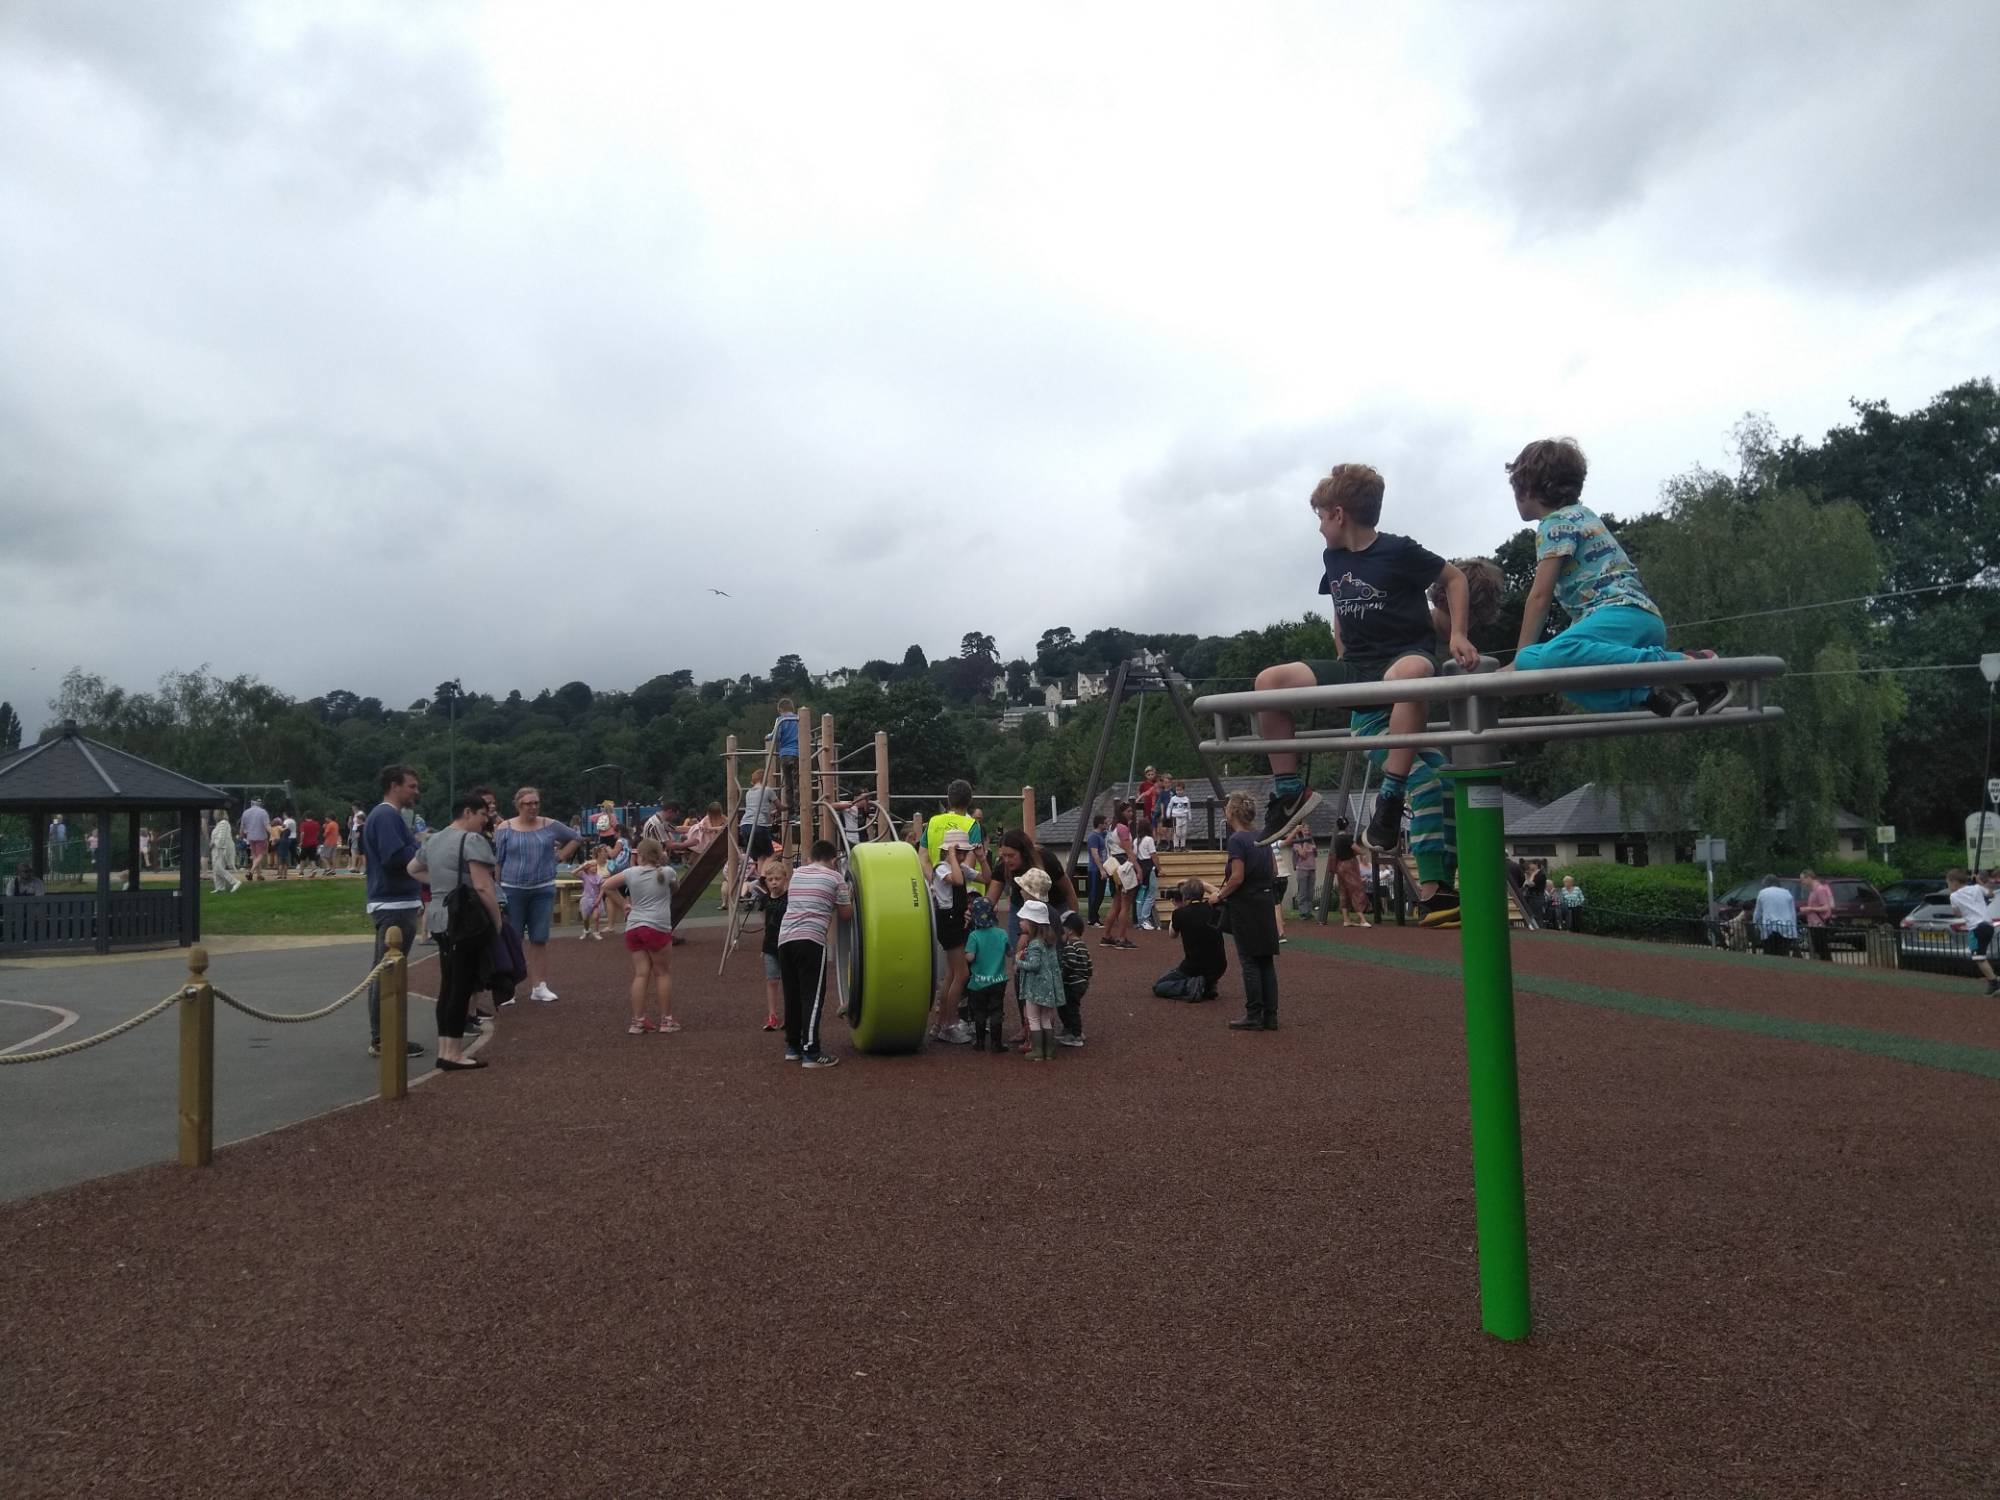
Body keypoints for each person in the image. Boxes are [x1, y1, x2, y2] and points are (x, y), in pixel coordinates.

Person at [1250, 464, 1477, 929]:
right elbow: (1339, 611)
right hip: (1359, 667)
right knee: (1267, 682)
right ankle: (1290, 792)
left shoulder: (1398, 550)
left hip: (1404, 659)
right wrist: (1343, 661)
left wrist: (1458, 634)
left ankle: (1392, 801)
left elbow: (1454, 578)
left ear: (1339, 514)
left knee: (1411, 682)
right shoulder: (1333, 560)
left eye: (1320, 517)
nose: (1317, 527)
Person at [1503, 438, 1730, 717]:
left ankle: (1687, 663)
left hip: (1620, 616)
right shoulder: (1584, 515)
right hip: (1637, 624)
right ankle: (1654, 696)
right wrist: (1521, 661)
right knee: (1532, 661)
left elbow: (1539, 596)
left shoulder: (1554, 525)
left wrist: (1514, 662)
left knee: (1554, 655)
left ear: (1527, 488)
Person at [408, 790, 500, 1071]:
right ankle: (453, 1052)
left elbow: (413, 869)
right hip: (464, 919)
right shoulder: (472, 840)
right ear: (469, 813)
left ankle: (446, 1048)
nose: (485, 821)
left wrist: (441, 882)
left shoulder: (433, 839)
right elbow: (483, 886)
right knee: (461, 986)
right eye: (483, 815)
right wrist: (497, 921)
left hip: (438, 916)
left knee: (449, 984)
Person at [494, 787, 583, 1004]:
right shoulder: (505, 828)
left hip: (542, 888)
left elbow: (575, 837)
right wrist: (497, 890)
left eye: (536, 803)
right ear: (518, 805)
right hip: (512, 888)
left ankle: (539, 985)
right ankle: (509, 989)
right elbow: (498, 860)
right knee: (512, 939)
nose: (533, 807)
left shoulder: (549, 825)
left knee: (539, 937)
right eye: (528, 803)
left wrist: (560, 856)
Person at [362, 765, 428, 1060]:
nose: (416, 791)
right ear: (394, 785)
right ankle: (383, 1038)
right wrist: (421, 850)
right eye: (411, 786)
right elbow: (393, 857)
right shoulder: (387, 815)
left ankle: (385, 1036)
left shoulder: (387, 815)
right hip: (394, 903)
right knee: (387, 972)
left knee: (386, 970)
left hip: (395, 901)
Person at [776, 839, 851, 1068]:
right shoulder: (836, 878)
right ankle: (812, 1051)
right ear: (833, 860)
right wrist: (851, 895)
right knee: (812, 996)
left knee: (793, 993)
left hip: (785, 939)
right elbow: (846, 914)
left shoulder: (797, 873)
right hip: (810, 940)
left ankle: (793, 1046)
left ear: (811, 857)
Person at [602, 837, 680, 1034]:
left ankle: (638, 1021)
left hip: (634, 926)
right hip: (657, 926)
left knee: (640, 973)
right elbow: (675, 889)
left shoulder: (630, 873)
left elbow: (606, 886)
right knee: (662, 972)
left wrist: (623, 904)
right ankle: (667, 1020)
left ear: (641, 856)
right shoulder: (668, 872)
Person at [1218, 791, 1282, 1031]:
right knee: (1265, 960)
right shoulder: (1261, 836)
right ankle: (1270, 1015)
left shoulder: (1237, 840)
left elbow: (1237, 877)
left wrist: (1219, 895)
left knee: (1249, 961)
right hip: (1265, 901)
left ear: (1232, 812)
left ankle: (1253, 1014)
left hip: (1246, 903)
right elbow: (1274, 870)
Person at [929, 837, 973, 1041]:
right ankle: (949, 1023)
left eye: (965, 851)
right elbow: (956, 880)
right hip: (948, 921)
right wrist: (953, 856)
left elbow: (985, 877)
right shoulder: (942, 868)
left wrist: (981, 857)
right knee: (961, 974)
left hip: (956, 920)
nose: (964, 855)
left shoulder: (959, 867)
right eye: (960, 851)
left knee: (951, 974)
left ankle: (941, 1023)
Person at [1157, 878, 1228, 1000]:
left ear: (1184, 895)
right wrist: (1199, 883)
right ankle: (1208, 984)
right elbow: (1219, 893)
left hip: (1193, 968)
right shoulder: (1212, 907)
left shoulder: (1180, 913)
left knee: (1160, 986)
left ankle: (1193, 987)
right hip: (1219, 967)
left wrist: (1177, 908)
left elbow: (1172, 935)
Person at [1014, 899, 1065, 1061]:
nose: (1020, 922)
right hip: (1048, 987)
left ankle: (1037, 1050)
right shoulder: (1049, 942)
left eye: (1023, 920)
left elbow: (1034, 965)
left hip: (1035, 987)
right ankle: (1049, 1050)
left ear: (1032, 924)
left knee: (1034, 1018)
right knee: (1045, 1018)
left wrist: (1019, 961)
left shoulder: (1035, 944)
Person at [963, 897, 1010, 1053]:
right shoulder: (1002, 933)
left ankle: (980, 1042)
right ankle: (997, 1043)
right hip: (998, 980)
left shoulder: (974, 936)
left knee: (980, 1012)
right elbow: (1009, 952)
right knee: (997, 1010)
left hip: (978, 982)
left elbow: (969, 957)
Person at [1944, 870, 1998, 995]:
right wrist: (1979, 881)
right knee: (1981, 955)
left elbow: (1956, 913)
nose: (1948, 886)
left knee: (1979, 958)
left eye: (1948, 883)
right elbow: (1991, 894)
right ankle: (1994, 979)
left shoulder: (1954, 896)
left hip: (1976, 928)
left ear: (1954, 882)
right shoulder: (1977, 888)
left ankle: (1994, 983)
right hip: (1988, 925)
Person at [758, 857, 789, 1032]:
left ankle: (789, 1013)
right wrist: (763, 946)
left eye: (777, 879)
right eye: (770, 880)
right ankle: (772, 1014)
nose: (774, 883)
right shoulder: (764, 900)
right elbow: (765, 923)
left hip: (786, 944)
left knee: (788, 980)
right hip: (770, 946)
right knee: (771, 980)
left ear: (784, 879)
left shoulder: (789, 898)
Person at [1056, 909, 1093, 1046]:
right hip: (1082, 981)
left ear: (1069, 931)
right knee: (1068, 1006)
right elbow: (1089, 966)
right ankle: (1071, 1030)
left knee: (1071, 1008)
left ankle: (1076, 1035)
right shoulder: (1082, 945)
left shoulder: (1070, 945)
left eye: (1062, 930)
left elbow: (1070, 963)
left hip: (1072, 982)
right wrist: (1086, 977)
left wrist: (1062, 974)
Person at [1099, 843, 1138, 949]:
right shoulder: (1123, 829)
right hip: (1123, 864)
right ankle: (1122, 938)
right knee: (1125, 905)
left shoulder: (1111, 830)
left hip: (1113, 864)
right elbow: (1128, 849)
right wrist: (1138, 869)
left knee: (1115, 905)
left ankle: (1106, 936)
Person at [1332, 817, 1369, 927]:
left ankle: (1346, 919)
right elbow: (1356, 849)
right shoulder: (1347, 838)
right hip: (1349, 865)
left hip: (1340, 866)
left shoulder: (1336, 839)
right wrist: (1364, 851)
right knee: (1356, 890)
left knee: (1343, 891)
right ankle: (1362, 919)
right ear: (1347, 826)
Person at [738, 767, 779, 863]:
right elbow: (780, 806)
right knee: (772, 854)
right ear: (764, 779)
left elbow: (756, 810)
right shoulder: (767, 790)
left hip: (745, 826)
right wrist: (787, 808)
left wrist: (770, 813)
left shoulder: (749, 792)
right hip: (758, 826)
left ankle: (761, 876)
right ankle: (763, 876)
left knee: (761, 856)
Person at [1752, 875, 1799, 957]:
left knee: (1769, 953)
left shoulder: (1763, 892)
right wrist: (1794, 933)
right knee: (1784, 954)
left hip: (1768, 928)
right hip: (1786, 927)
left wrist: (1755, 924)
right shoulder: (1787, 892)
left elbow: (1757, 912)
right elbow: (1793, 914)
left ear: (1766, 884)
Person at [574, 845, 610, 941]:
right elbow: (573, 873)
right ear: (587, 868)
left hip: (595, 898)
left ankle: (596, 932)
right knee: (585, 918)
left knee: (596, 916)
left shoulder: (598, 877)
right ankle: (586, 930)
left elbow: (603, 888)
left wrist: (599, 898)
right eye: (592, 866)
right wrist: (582, 866)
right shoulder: (584, 876)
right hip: (586, 899)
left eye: (595, 866)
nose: (595, 868)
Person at [1799, 869, 1836, 961]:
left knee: (1822, 948)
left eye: (1802, 879)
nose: (1802, 882)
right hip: (1813, 923)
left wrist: (1810, 909)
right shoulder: (1812, 891)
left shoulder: (1820, 890)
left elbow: (1826, 907)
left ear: (1809, 878)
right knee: (1819, 948)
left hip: (1819, 924)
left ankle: (1829, 966)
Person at [1133, 817, 1159, 931]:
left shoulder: (1136, 840)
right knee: (1150, 894)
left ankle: (1140, 920)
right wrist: (1160, 868)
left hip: (1140, 867)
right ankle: (1145, 919)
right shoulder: (1149, 839)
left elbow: (1134, 856)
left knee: (1140, 895)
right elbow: (1153, 855)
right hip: (1149, 868)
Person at [208, 809, 243, 894]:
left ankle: (235, 881)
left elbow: (222, 837)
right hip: (216, 848)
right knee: (216, 868)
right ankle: (219, 887)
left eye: (215, 814)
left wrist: (214, 843)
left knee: (218, 867)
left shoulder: (224, 823)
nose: (214, 815)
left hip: (221, 848)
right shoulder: (219, 824)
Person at [1288, 825, 1319, 919]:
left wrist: (1313, 846)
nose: (1307, 830)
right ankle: (1303, 913)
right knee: (1303, 893)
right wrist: (1305, 840)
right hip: (1302, 869)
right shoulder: (1297, 843)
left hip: (1312, 868)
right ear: (1300, 831)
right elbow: (1303, 855)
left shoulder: (1311, 840)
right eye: (1305, 829)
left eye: (1308, 829)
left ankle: (1308, 912)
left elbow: (1316, 854)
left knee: (1310, 892)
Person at [240, 797, 273, 881]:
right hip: (261, 836)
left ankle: (259, 875)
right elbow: (267, 826)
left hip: (250, 836)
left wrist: (241, 835)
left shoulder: (245, 812)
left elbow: (242, 826)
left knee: (255, 856)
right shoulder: (263, 812)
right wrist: (273, 834)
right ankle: (251, 871)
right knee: (261, 854)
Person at [1084, 814, 1109, 926]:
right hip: (1095, 869)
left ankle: (1095, 916)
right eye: (1105, 822)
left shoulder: (1103, 835)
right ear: (1099, 824)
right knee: (1095, 894)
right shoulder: (1093, 837)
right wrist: (1101, 869)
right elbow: (1095, 853)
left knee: (1100, 894)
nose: (1107, 824)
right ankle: (1092, 918)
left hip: (1102, 867)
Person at [1166, 781, 1192, 852]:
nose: (1179, 792)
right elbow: (1169, 807)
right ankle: (1176, 846)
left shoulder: (1186, 799)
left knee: (1184, 832)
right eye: (1177, 790)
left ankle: (1183, 846)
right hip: (1176, 817)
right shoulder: (1173, 799)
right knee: (1177, 832)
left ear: (1183, 790)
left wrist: (1189, 816)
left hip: (1184, 817)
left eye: (1180, 790)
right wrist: (1168, 814)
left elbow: (1188, 808)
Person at [298, 813, 320, 877]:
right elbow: (317, 833)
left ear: (305, 817)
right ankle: (314, 869)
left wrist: (301, 841)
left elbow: (302, 833)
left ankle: (301, 872)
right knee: (312, 858)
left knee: (302, 858)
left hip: (305, 843)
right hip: (314, 843)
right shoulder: (316, 823)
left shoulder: (303, 824)